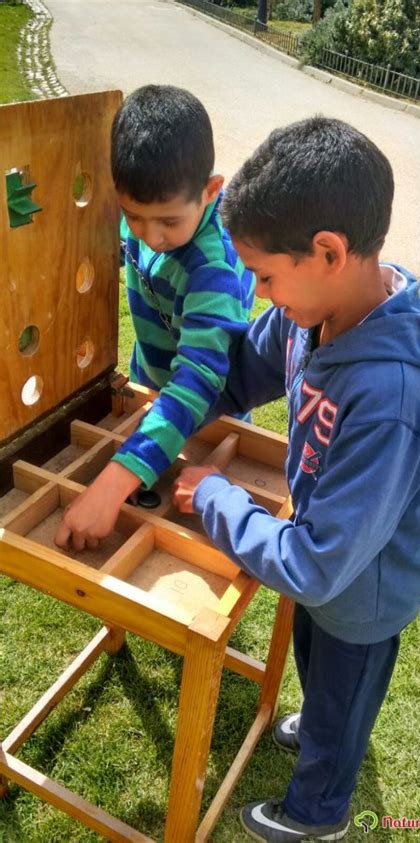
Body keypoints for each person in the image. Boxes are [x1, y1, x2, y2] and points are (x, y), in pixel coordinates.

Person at [172, 116, 420, 842]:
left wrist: (216, 496)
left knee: (344, 687)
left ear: (327, 251)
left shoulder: (390, 401)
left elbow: (316, 566)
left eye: (266, 277)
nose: (263, 295)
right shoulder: (314, 316)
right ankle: (324, 723)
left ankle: (319, 810)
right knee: (314, 659)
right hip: (332, 568)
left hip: (365, 593)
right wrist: (174, 410)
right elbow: (245, 369)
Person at [55, 85, 254, 551]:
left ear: (210, 192)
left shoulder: (213, 273)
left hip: (208, 411)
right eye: (133, 217)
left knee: (190, 544)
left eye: (167, 222)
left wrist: (109, 487)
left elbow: (197, 385)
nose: (149, 236)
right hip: (151, 387)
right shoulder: (147, 219)